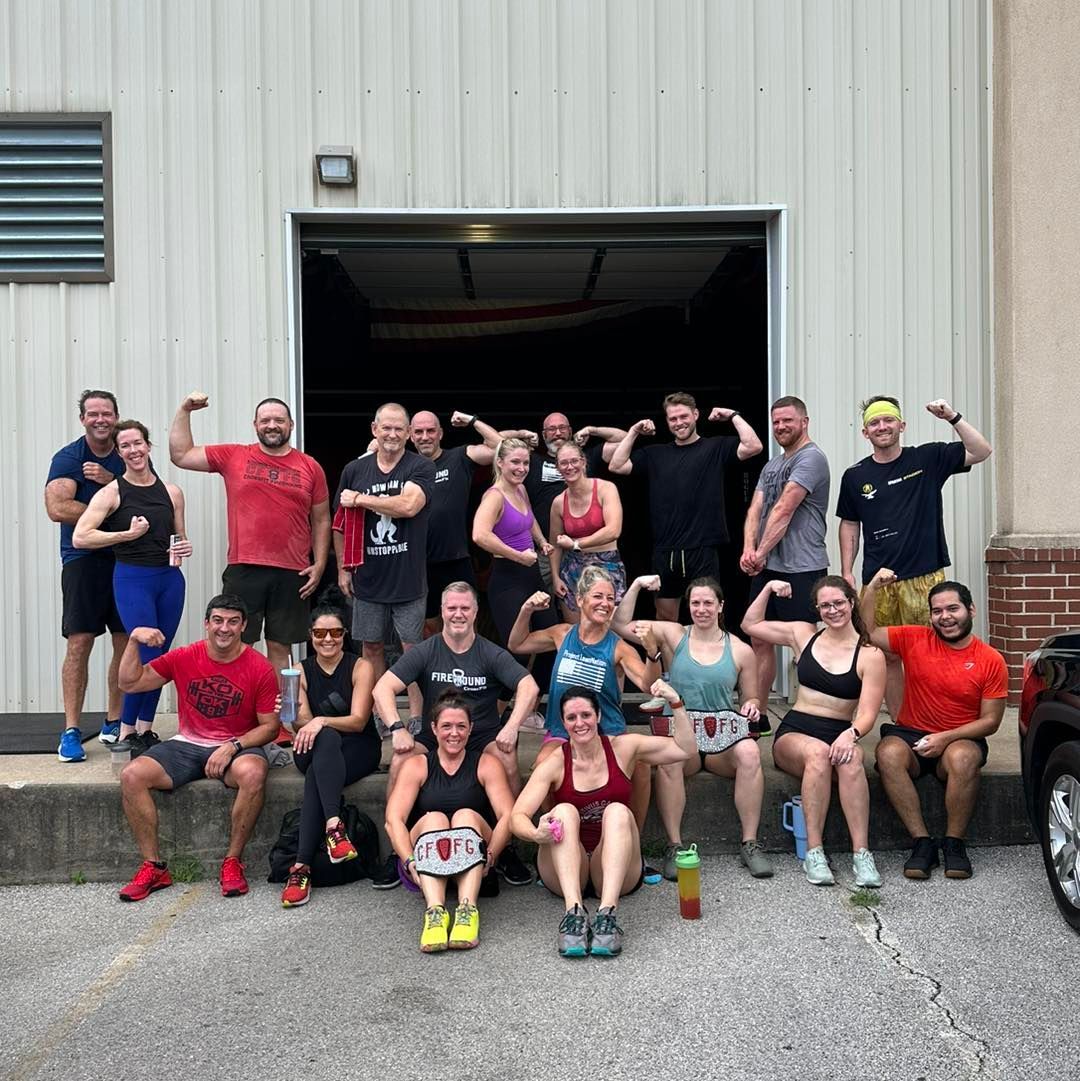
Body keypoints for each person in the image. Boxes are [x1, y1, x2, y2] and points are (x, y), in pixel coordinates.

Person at [371, 581, 539, 888]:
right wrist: (397, 728)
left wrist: (512, 727)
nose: (458, 614)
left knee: (507, 756)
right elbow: (382, 688)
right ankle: (399, 851)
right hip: (436, 733)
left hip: (481, 733)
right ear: (442, 612)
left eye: (465, 608)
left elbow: (529, 686)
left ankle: (506, 848)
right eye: (452, 608)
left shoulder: (489, 652)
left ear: (475, 612)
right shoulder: (426, 650)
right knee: (400, 759)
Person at [510, 682, 695, 958]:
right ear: (563, 722)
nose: (579, 723)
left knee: (618, 811)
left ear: (598, 716)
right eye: (571, 718)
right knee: (563, 812)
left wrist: (676, 703)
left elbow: (685, 749)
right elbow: (517, 816)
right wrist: (537, 834)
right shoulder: (557, 761)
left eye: (586, 715)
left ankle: (607, 915)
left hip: (612, 866)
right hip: (564, 867)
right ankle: (573, 915)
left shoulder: (624, 748)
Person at [836, 396, 992, 717]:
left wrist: (952, 416)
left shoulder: (928, 458)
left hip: (924, 578)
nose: (882, 427)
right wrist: (847, 571)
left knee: (931, 653)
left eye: (888, 420)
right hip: (879, 582)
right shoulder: (855, 476)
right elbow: (850, 524)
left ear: (901, 425)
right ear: (865, 433)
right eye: (875, 423)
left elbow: (981, 451)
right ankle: (900, 722)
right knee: (886, 655)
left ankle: (934, 717)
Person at [116, 594, 279, 901]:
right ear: (206, 624)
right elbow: (130, 683)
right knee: (132, 775)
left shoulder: (260, 668)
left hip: (236, 745)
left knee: (254, 774)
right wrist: (134, 642)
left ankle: (232, 862)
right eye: (217, 620)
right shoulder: (184, 656)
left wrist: (233, 746)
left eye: (233, 622)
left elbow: (270, 727)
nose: (224, 628)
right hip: (188, 743)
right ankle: (154, 867)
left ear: (244, 626)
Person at [615, 574, 772, 881]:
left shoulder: (740, 650)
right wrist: (634, 586)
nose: (701, 609)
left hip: (722, 738)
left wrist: (752, 704)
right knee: (669, 759)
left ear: (721, 606)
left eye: (708, 603)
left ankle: (750, 843)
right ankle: (674, 845)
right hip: (682, 735)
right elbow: (620, 624)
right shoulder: (675, 635)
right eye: (695, 603)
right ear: (688, 606)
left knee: (751, 752)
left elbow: (751, 695)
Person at [169, 392, 331, 676]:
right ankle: (237, 717)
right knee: (235, 643)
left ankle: (282, 716)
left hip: (292, 570)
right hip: (245, 567)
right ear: (255, 424)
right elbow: (181, 455)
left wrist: (319, 564)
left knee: (281, 648)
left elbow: (321, 519)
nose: (272, 425)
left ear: (291, 425)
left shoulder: (310, 466)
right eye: (265, 420)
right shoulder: (234, 455)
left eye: (279, 420)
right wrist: (185, 410)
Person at [861, 569, 1008, 880]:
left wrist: (945, 738)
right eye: (937, 611)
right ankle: (922, 843)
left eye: (952, 608)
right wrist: (872, 587)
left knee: (964, 757)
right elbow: (866, 630)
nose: (945, 617)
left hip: (959, 737)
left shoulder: (990, 659)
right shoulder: (915, 638)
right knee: (887, 753)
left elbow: (991, 721)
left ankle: (954, 844)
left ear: (971, 610)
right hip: (911, 733)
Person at [742, 575, 886, 888]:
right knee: (818, 754)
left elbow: (868, 713)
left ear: (851, 603)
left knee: (850, 760)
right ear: (817, 610)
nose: (832, 610)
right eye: (825, 606)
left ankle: (862, 853)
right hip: (797, 730)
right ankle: (814, 851)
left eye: (838, 603)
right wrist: (767, 588)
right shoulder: (803, 634)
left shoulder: (870, 654)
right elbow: (750, 624)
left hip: (842, 730)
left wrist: (852, 733)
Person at [73, 420, 192, 757]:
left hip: (168, 581)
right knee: (145, 651)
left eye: (138, 443)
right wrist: (126, 535)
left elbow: (179, 537)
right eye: (125, 446)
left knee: (162, 656)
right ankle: (126, 730)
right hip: (132, 579)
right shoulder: (111, 492)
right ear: (119, 452)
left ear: (148, 446)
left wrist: (184, 547)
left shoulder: (172, 492)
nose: (133, 450)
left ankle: (146, 729)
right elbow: (82, 536)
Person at [507, 566, 661, 827]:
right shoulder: (562, 634)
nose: (605, 603)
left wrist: (652, 653)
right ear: (580, 600)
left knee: (642, 764)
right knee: (543, 763)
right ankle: (556, 834)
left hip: (607, 731)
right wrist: (526, 611)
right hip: (562, 729)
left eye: (611, 598)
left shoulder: (618, 647)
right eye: (598, 596)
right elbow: (517, 644)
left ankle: (633, 838)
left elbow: (648, 684)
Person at [609, 391, 763, 621]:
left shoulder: (715, 447)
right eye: (673, 419)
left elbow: (754, 446)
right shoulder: (655, 453)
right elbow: (616, 465)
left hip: (702, 548)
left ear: (695, 415)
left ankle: (708, 657)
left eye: (683, 416)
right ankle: (671, 659)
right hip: (665, 550)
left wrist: (732, 415)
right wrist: (634, 432)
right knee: (665, 618)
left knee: (708, 614)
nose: (679, 423)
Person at [384, 693, 515, 953]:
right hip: (427, 861)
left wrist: (491, 855)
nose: (453, 733)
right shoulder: (417, 765)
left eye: (461, 726)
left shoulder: (486, 763)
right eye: (446, 726)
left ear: (470, 729)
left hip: (476, 860)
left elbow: (507, 817)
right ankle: (435, 912)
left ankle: (467, 910)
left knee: (464, 815)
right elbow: (393, 820)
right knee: (435, 818)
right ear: (433, 729)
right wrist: (409, 861)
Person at [335, 402, 436, 725]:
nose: (392, 434)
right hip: (368, 577)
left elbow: (408, 505)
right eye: (386, 428)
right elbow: (339, 524)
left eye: (398, 429)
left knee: (413, 650)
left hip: (408, 579)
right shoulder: (355, 470)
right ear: (374, 430)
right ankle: (382, 715)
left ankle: (418, 717)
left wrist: (361, 499)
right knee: (372, 649)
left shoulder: (419, 467)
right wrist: (342, 568)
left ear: (408, 434)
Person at [279, 595, 379, 908]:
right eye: (320, 634)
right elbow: (302, 724)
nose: (328, 640)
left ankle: (300, 868)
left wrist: (319, 720)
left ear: (344, 635)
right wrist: (294, 715)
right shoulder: (298, 670)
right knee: (325, 740)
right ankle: (334, 828)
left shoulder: (360, 666)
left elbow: (359, 720)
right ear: (311, 636)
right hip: (312, 746)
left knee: (317, 771)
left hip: (358, 747)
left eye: (335, 633)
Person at [45, 389, 128, 761]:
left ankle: (114, 723)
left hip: (127, 561)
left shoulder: (128, 453)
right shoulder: (69, 457)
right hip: (83, 561)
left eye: (106, 413)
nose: (100, 419)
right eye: (93, 414)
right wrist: (110, 508)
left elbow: (149, 497)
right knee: (80, 643)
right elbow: (57, 507)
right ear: (82, 419)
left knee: (126, 642)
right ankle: (72, 731)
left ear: (115, 416)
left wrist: (112, 478)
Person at [740, 396, 830, 731]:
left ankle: (813, 718)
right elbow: (757, 508)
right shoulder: (772, 465)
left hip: (803, 568)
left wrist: (759, 553)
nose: (781, 427)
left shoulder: (812, 459)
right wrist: (749, 550)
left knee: (803, 643)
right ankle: (758, 715)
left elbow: (784, 509)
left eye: (788, 421)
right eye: (776, 421)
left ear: (804, 421)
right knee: (758, 640)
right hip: (768, 567)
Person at [411, 409, 501, 636]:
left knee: (467, 621)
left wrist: (473, 421)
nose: (425, 436)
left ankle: (469, 669)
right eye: (419, 432)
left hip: (455, 558)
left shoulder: (459, 456)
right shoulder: (404, 466)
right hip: (418, 562)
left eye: (431, 430)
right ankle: (435, 669)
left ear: (440, 433)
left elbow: (500, 448)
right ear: (410, 436)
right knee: (429, 626)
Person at [472, 437, 559, 663]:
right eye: (515, 462)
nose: (521, 469)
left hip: (532, 574)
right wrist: (518, 556)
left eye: (526, 463)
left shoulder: (520, 489)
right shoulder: (494, 497)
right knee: (517, 651)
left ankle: (539, 695)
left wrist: (541, 541)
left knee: (552, 638)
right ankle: (502, 700)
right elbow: (480, 535)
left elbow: (528, 519)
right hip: (507, 577)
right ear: (500, 463)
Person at [548, 441, 626, 623]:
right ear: (558, 467)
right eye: (564, 463)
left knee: (604, 629)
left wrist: (576, 544)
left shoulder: (605, 488)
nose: (570, 467)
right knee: (575, 630)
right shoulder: (559, 502)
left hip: (606, 565)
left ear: (583, 462)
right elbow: (554, 544)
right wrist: (555, 577)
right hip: (573, 569)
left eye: (574, 461)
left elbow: (614, 530)